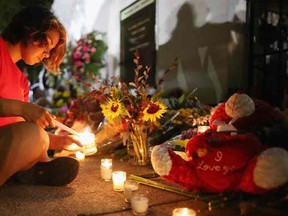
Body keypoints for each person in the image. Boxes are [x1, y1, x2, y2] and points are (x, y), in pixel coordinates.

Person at [0, 5, 83, 186]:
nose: (46, 54)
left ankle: (38, 167)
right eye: (46, 43)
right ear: (30, 29)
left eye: (50, 51)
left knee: (37, 134)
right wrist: (23, 108)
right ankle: (28, 171)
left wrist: (59, 142)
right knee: (33, 134)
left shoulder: (21, 80)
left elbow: (20, 131)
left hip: (6, 146)